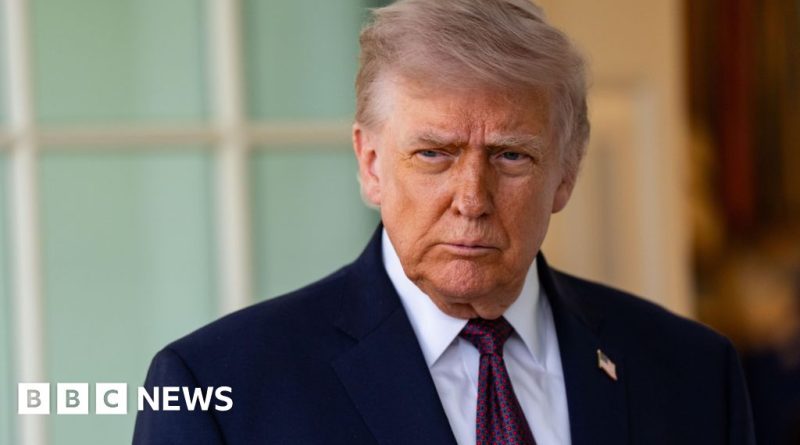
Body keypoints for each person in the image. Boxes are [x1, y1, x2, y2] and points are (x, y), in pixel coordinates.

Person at [133, 0, 756, 443]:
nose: (471, 199)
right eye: (434, 154)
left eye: (511, 156)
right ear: (371, 164)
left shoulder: (696, 373)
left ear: (564, 173)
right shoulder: (218, 388)